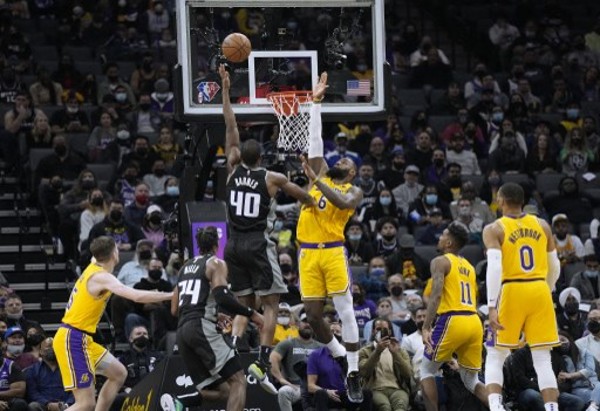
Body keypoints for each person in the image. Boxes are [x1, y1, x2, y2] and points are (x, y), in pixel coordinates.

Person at [220, 64, 315, 393]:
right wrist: (313, 196)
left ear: (238, 156)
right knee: (272, 303)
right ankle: (261, 359)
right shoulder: (271, 178)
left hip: (233, 244)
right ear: (261, 158)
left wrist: (226, 88)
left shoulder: (232, 170)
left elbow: (230, 124)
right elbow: (303, 195)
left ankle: (234, 345)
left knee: (244, 303)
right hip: (258, 243)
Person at [298, 71, 365, 403]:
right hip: (308, 253)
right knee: (311, 315)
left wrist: (316, 181)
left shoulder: (353, 190)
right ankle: (339, 353)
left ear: (352, 171)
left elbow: (341, 202)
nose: (341, 159)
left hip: (334, 251)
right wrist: (315, 103)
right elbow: (315, 140)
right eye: (340, 158)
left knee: (346, 311)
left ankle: (353, 371)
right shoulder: (321, 172)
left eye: (347, 161)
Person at [52, 236, 172, 411]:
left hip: (83, 339)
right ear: (114, 253)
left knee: (118, 373)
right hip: (73, 339)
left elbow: (97, 250)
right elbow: (136, 296)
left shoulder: (95, 265)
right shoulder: (101, 277)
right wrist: (170, 295)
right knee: (86, 404)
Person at [163, 226, 264, 411]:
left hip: (183, 331)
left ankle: (181, 401)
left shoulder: (184, 268)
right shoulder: (216, 264)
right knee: (239, 381)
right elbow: (223, 297)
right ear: (217, 245)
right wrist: (253, 314)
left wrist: (214, 314)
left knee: (224, 391)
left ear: (198, 245)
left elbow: (175, 309)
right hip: (201, 328)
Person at [483, 182, 561, 411]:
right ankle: (552, 408)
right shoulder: (543, 225)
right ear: (523, 201)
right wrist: (547, 289)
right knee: (543, 358)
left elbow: (494, 267)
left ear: (500, 200)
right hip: (540, 289)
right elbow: (554, 265)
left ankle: (496, 407)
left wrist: (491, 305)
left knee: (495, 353)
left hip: (512, 289)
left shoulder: (494, 228)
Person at [420, 223, 487, 410]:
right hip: (474, 321)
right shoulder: (469, 266)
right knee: (471, 380)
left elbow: (436, 295)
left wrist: (426, 326)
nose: (439, 238)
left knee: (426, 371)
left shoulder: (440, 261)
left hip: (453, 319)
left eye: (443, 235)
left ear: (449, 242)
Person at [269, 314, 323, 411]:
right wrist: (281, 379)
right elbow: (272, 359)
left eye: (310, 322)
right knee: (283, 392)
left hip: (317, 388)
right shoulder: (288, 343)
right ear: (298, 324)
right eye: (304, 321)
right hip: (296, 388)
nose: (307, 324)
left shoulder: (321, 347)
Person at [359, 318, 413, 411]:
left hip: (397, 389)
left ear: (390, 332)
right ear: (373, 331)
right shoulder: (364, 351)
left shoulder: (401, 351)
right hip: (375, 390)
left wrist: (395, 354)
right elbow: (364, 373)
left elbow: (408, 374)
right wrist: (377, 351)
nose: (381, 332)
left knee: (400, 408)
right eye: (378, 329)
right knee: (385, 408)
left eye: (384, 329)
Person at [26, 337, 74, 411]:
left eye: (55, 346)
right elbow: (33, 393)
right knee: (33, 406)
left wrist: (67, 404)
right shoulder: (32, 370)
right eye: (49, 347)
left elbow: (75, 390)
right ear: (41, 352)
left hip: (67, 405)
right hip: (44, 405)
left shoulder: (70, 369)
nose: (52, 349)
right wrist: (47, 404)